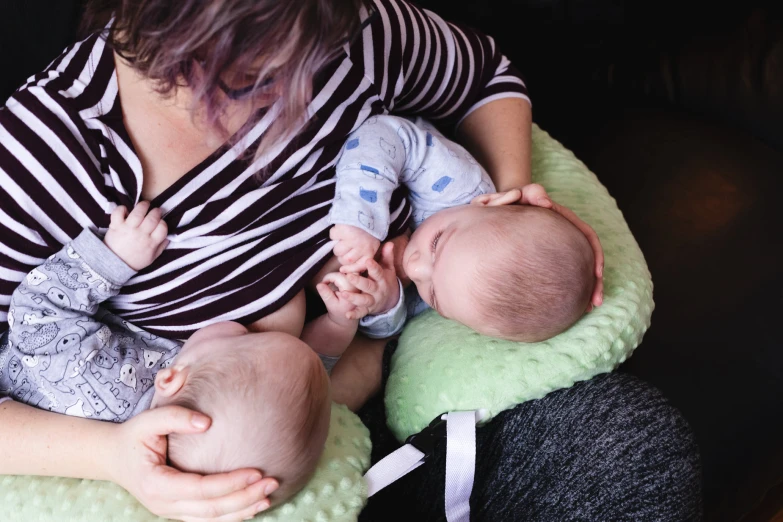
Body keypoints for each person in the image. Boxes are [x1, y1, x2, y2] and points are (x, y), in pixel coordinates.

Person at [0, 0, 701, 521]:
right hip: (239, 459)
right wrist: (116, 458)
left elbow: (483, 76)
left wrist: (506, 209)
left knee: (629, 450)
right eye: (256, 82)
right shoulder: (37, 163)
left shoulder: (349, 30)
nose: (299, 106)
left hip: (394, 365)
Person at [0, 200, 335, 506]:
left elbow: (35, 313)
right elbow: (300, 386)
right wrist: (338, 323)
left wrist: (111, 260)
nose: (242, 326)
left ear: (171, 376)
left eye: (243, 337)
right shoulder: (199, 406)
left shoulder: (96, 376)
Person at [327, 114, 594, 342]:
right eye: (436, 244)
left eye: (433, 297)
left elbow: (395, 326)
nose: (415, 269)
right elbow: (382, 131)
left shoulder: (458, 295)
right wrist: (361, 216)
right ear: (487, 202)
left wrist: (385, 302)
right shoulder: (459, 182)